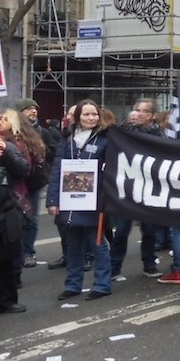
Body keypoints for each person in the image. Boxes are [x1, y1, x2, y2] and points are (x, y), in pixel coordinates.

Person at [47, 99, 113, 302]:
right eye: (86, 114)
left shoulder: (106, 138)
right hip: (70, 199)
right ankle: (73, 285)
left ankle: (102, 285)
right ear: (77, 117)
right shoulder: (67, 139)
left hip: (95, 200)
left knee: (98, 243)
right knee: (73, 245)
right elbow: (57, 170)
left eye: (94, 114)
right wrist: (52, 200)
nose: (91, 118)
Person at [111, 98, 166, 279]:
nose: (139, 113)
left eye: (144, 111)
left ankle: (149, 264)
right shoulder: (126, 131)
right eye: (137, 110)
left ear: (152, 116)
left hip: (148, 188)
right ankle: (114, 267)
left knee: (149, 230)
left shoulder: (159, 135)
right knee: (121, 230)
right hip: (127, 188)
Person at [15, 98, 55, 270]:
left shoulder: (43, 132)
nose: (33, 111)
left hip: (33, 183)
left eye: (35, 108)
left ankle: (28, 252)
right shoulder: (12, 131)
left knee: (31, 219)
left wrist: (41, 154)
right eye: (28, 109)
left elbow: (53, 152)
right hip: (14, 182)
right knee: (13, 220)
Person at [0, 118, 31, 313]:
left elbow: (23, 170)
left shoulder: (8, 147)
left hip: (6, 209)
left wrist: (7, 153)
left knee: (7, 258)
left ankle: (7, 300)